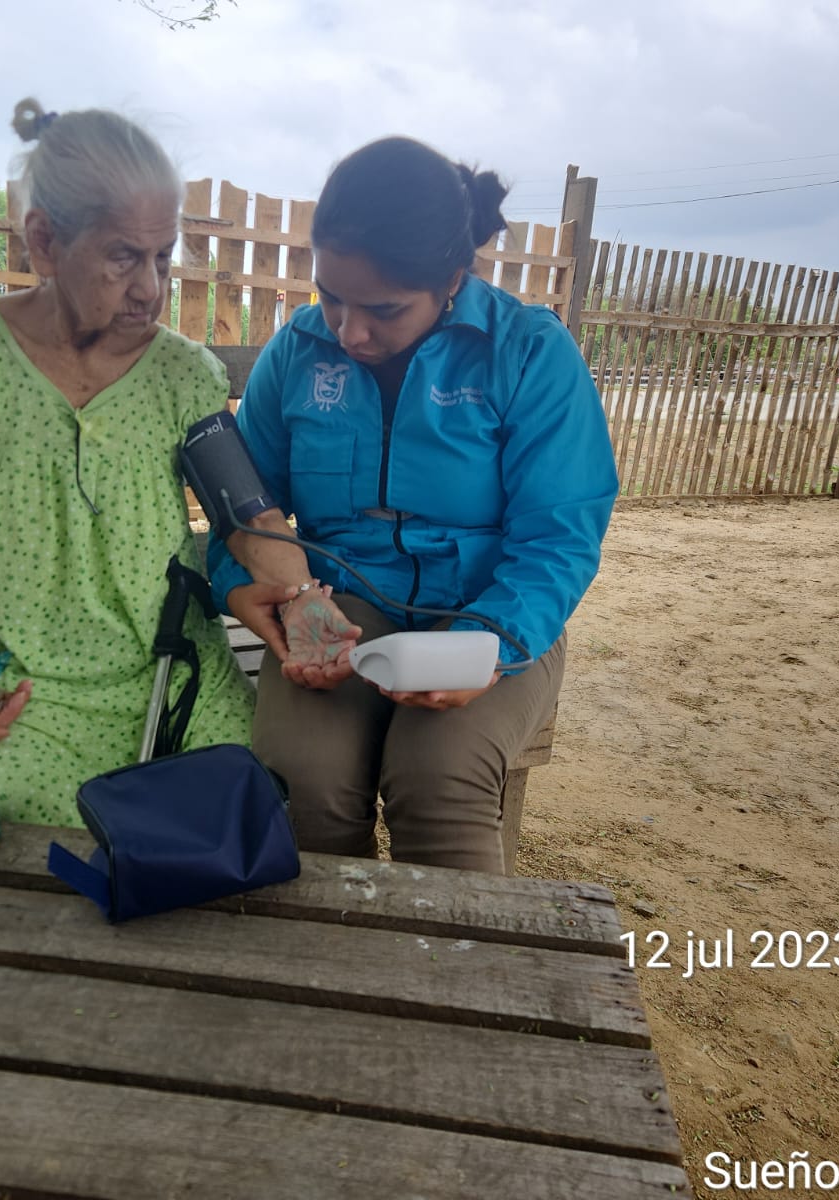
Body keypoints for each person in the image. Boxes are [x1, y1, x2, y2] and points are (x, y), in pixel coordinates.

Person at [208, 136, 618, 874]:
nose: (348, 331)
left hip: (493, 610)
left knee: (439, 782)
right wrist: (250, 592)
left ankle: (457, 949)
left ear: (452, 278)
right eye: (330, 296)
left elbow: (559, 537)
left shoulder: (528, 352)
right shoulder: (297, 353)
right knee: (304, 783)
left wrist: (491, 642)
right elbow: (241, 512)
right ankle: (340, 944)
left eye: (384, 309)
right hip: (344, 606)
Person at [0, 98, 255, 827]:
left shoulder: (183, 373)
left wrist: (301, 593)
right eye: (124, 256)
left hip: (167, 666)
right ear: (44, 241)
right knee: (43, 812)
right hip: (27, 675)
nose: (150, 288)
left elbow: (246, 511)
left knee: (233, 791)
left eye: (163, 257)